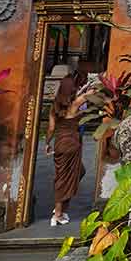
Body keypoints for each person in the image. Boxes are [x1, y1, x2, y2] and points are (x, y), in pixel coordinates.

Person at [46, 60, 89, 226]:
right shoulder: (75, 104)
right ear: (72, 89)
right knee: (66, 179)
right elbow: (86, 96)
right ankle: (57, 214)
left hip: (60, 144)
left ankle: (61, 208)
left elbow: (50, 128)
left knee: (69, 175)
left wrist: (47, 143)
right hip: (72, 143)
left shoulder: (55, 105)